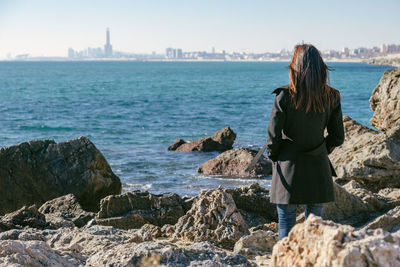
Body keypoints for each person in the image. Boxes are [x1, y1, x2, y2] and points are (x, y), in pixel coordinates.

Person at [266, 44, 345, 240]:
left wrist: (276, 156)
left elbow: (273, 137)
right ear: (321, 68)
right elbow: (338, 137)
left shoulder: (284, 96)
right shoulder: (332, 96)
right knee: (314, 228)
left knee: (285, 222)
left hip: (288, 166)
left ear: (295, 67)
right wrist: (320, 150)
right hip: (318, 167)